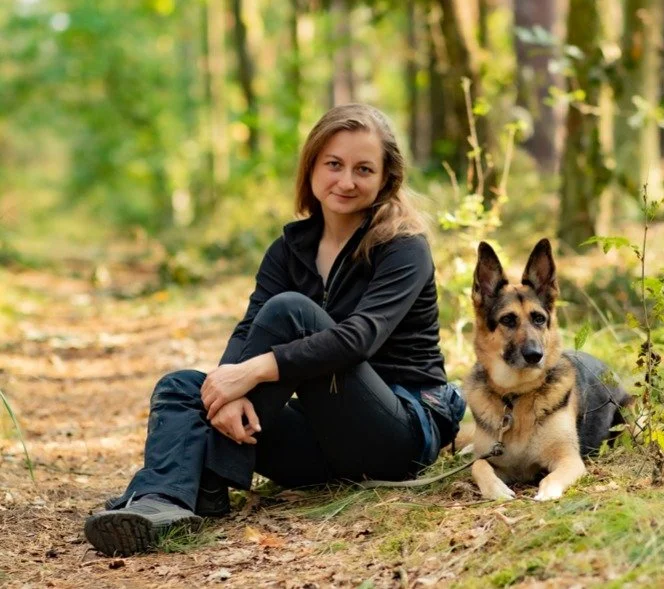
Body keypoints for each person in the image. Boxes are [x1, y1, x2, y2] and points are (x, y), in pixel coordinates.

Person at [84, 103, 465, 557]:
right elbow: (250, 328)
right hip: (323, 448)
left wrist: (252, 373)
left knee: (291, 312)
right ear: (311, 169)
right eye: (334, 164)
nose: (346, 181)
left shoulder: (403, 247)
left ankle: (206, 479)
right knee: (183, 387)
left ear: (386, 179)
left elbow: (358, 338)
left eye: (364, 169)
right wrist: (227, 392)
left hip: (397, 433)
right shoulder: (289, 249)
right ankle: (163, 504)